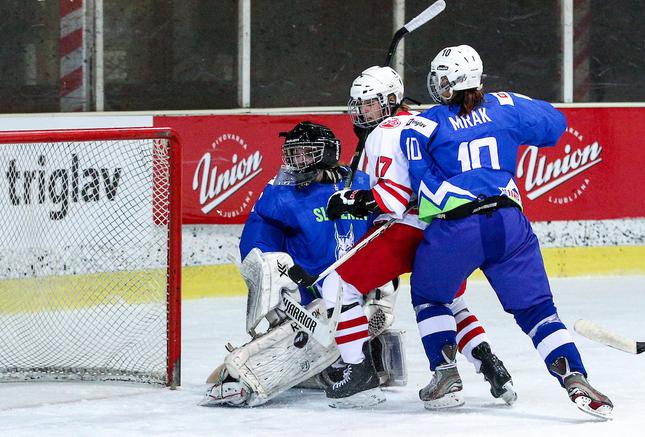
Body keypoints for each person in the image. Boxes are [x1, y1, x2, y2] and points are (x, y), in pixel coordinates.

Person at [399, 45, 613, 419]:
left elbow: (421, 182)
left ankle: (446, 374)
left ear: (448, 83)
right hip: (509, 227)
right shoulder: (506, 104)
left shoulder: (422, 124)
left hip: (457, 230)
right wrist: (509, 109)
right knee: (537, 310)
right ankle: (574, 376)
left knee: (431, 296)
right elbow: (555, 125)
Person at [303, 65, 515, 409]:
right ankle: (490, 365)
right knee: (447, 300)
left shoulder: (384, 132)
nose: (361, 112)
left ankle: (359, 375)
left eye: (369, 104)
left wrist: (349, 201)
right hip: (445, 229)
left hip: (403, 228)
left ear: (389, 101)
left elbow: (392, 198)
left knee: (339, 286)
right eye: (358, 105)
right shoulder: (429, 120)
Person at [201, 121, 404, 407]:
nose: (298, 161)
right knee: (242, 374)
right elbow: (257, 245)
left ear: (329, 153)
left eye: (307, 153)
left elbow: (388, 229)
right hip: (311, 305)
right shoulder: (281, 193)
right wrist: (277, 277)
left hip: (360, 295)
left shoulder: (362, 183)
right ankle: (329, 361)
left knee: (370, 304)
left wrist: (387, 273)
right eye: (294, 154)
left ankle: (354, 359)